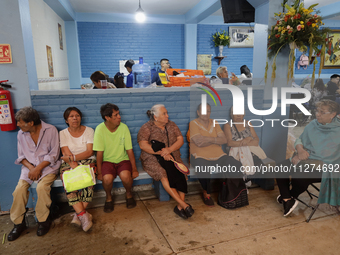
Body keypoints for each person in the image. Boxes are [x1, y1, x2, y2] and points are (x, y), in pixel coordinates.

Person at [276, 100, 340, 217]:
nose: (318, 114)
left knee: (300, 176)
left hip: (326, 167)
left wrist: (304, 159)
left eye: (322, 112)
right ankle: (287, 199)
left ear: (333, 114)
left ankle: (289, 195)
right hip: (306, 159)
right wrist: (300, 151)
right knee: (280, 167)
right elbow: (300, 140)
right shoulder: (313, 125)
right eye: (317, 111)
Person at [8, 107, 61, 241]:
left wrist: (39, 168)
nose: (18, 125)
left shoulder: (51, 130)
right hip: (29, 168)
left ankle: (43, 221)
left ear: (31, 122)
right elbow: (21, 156)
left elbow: (54, 154)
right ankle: (18, 223)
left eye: (20, 122)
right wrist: (32, 168)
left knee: (42, 188)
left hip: (48, 167)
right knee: (19, 190)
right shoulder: (21, 134)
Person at [138, 104, 194, 220]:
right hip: (152, 158)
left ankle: (180, 206)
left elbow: (180, 140)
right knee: (164, 174)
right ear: (155, 117)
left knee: (181, 172)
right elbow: (143, 145)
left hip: (172, 155)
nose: (167, 116)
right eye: (164, 114)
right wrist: (162, 153)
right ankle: (184, 205)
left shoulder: (172, 125)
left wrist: (169, 150)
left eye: (167, 113)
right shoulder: (147, 127)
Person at [188, 103, 243, 206]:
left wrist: (207, 138)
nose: (206, 113)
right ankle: (206, 193)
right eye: (203, 111)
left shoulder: (214, 122)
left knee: (235, 164)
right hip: (199, 155)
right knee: (203, 168)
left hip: (218, 155)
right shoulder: (193, 123)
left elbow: (224, 140)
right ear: (198, 112)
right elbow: (199, 142)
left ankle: (231, 191)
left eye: (208, 111)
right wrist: (216, 140)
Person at [93, 103, 139, 213]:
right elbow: (99, 153)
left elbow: (129, 150)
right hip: (107, 161)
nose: (119, 117)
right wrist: (99, 172)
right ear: (107, 118)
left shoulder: (123, 127)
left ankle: (128, 194)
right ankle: (108, 197)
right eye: (116, 115)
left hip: (123, 160)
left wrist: (134, 169)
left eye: (119, 114)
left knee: (126, 177)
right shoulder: (100, 129)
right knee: (107, 179)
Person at [59, 107, 96, 232]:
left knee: (88, 182)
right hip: (69, 163)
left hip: (88, 160)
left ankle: (78, 214)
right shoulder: (62, 133)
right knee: (70, 184)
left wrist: (74, 158)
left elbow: (90, 151)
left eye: (77, 115)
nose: (75, 118)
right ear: (66, 120)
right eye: (71, 116)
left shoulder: (89, 131)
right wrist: (73, 162)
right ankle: (84, 216)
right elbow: (65, 151)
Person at [223, 107, 274, 190]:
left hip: (251, 151)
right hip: (236, 152)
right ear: (232, 114)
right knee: (242, 162)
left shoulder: (248, 123)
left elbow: (256, 141)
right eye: (236, 113)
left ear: (243, 114)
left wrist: (246, 141)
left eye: (240, 113)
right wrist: (247, 140)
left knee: (259, 164)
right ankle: (243, 183)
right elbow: (230, 143)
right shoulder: (228, 125)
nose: (238, 115)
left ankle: (249, 179)